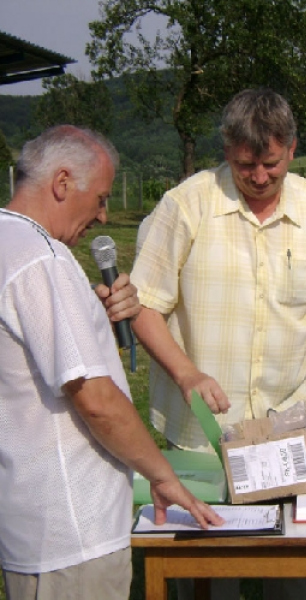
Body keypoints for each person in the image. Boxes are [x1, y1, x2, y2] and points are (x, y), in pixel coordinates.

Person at [131, 89, 306, 600]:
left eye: (270, 166)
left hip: (285, 422)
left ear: (292, 149)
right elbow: (145, 305)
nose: (257, 178)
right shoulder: (186, 204)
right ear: (227, 148)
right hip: (200, 429)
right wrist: (187, 373)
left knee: (294, 571)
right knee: (208, 576)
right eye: (244, 165)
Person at [0, 125, 222, 600]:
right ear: (62, 183)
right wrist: (162, 475)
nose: (103, 216)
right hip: (72, 534)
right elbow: (95, 399)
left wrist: (93, 321)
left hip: (31, 520)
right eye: (100, 198)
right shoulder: (44, 261)